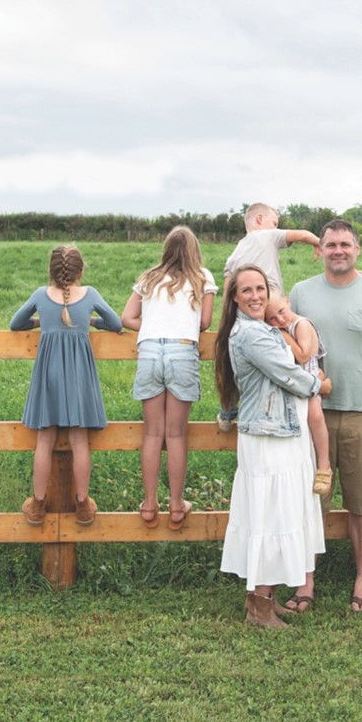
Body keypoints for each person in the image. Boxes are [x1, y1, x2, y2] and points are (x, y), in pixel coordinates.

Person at [290, 219, 362, 613]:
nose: (338, 250)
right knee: (310, 500)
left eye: (345, 244)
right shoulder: (301, 293)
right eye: (330, 244)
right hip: (310, 412)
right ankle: (306, 581)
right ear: (319, 250)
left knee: (361, 502)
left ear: (358, 249)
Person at [215, 265, 325, 627]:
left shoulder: (258, 328)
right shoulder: (252, 336)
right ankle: (259, 606)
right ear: (234, 298)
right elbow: (289, 374)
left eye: (260, 288)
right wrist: (320, 384)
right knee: (270, 514)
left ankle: (262, 597)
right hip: (268, 438)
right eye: (246, 291)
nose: (256, 296)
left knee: (277, 512)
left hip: (279, 433)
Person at [11, 245, 123, 527]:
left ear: (50, 271)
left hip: (48, 376)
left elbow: (16, 323)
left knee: (44, 441)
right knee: (79, 441)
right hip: (77, 378)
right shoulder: (91, 295)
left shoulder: (40, 294)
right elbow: (116, 322)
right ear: (81, 271)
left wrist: (40, 321)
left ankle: (37, 505)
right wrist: (91, 321)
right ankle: (83, 505)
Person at [121, 225, 217, 530]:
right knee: (176, 435)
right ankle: (176, 506)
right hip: (182, 351)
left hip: (149, 350)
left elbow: (127, 318)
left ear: (165, 249)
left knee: (152, 434)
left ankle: (149, 505)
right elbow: (204, 322)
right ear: (194, 250)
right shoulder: (202, 276)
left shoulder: (148, 277)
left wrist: (152, 327)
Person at [217, 202, 322, 431]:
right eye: (275, 222)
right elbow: (301, 234)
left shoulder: (236, 252)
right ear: (259, 220)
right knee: (290, 347)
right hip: (268, 304)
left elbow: (227, 290)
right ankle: (310, 382)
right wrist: (319, 243)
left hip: (243, 312)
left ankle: (228, 409)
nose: (277, 227)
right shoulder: (267, 235)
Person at [264, 293, 334, 497]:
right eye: (272, 319)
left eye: (281, 312)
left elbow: (303, 355)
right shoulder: (283, 327)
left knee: (315, 416)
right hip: (296, 384)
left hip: (309, 380)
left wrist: (283, 335)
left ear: (287, 301)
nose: (280, 320)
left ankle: (324, 465)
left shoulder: (300, 325)